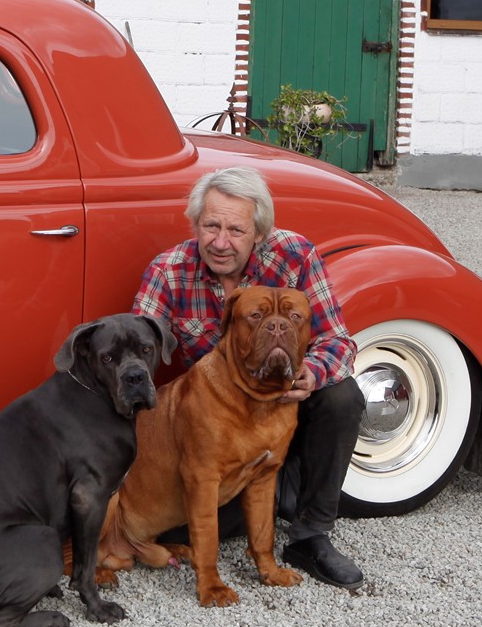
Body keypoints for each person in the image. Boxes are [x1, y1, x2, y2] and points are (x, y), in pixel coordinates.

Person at [131, 164, 366, 588]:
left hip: (287, 402)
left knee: (342, 396)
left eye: (236, 230)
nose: (221, 242)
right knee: (189, 514)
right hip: (218, 423)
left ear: (259, 233)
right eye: (211, 226)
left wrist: (310, 373)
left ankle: (311, 534)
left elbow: (338, 342)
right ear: (195, 224)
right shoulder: (169, 271)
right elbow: (136, 352)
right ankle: (274, 494)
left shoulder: (295, 256)